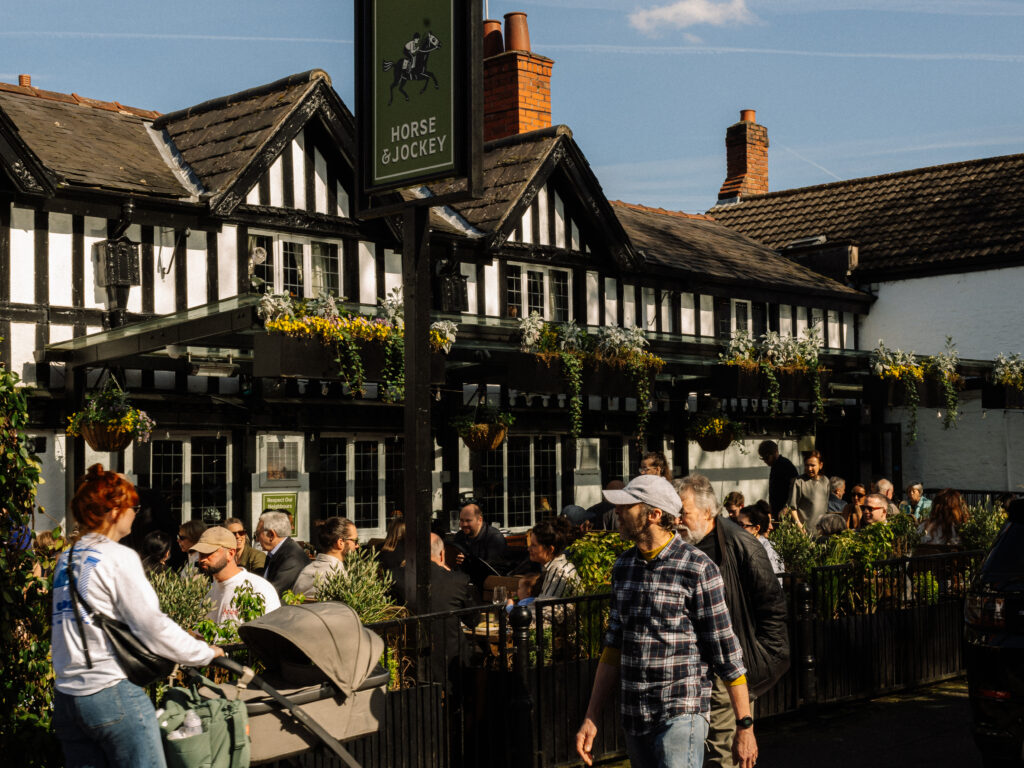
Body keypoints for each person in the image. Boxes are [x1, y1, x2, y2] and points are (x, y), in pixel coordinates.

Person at [576, 474, 757, 768]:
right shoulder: (624, 566)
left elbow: (726, 651)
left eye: (627, 506)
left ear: (654, 514)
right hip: (635, 714)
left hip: (681, 711)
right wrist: (591, 716)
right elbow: (613, 645)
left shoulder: (697, 568)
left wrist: (744, 725)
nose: (617, 512)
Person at [51, 464, 223, 767]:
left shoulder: (68, 557)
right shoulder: (118, 557)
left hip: (67, 697)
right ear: (114, 511)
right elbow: (152, 626)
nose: (135, 513)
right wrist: (204, 653)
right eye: (133, 506)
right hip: (109, 691)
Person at [675, 474, 789, 768]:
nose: (677, 520)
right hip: (688, 671)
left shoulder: (741, 544)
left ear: (707, 511)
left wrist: (756, 659)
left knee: (722, 755)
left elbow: (772, 606)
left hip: (725, 670)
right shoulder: (683, 545)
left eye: (683, 512)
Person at [391, 533, 478, 685]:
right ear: (442, 554)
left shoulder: (395, 577)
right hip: (450, 663)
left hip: (408, 663)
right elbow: (473, 620)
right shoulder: (457, 580)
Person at [193, 526, 280, 625]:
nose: (202, 559)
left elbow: (272, 630)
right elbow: (199, 632)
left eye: (209, 553)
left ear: (230, 553)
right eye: (201, 554)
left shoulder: (259, 589)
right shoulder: (208, 592)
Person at [292, 517, 359, 599]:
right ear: (340, 543)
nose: (357, 546)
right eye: (355, 541)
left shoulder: (305, 571)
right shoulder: (339, 576)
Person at [256, 510, 310, 596]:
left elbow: (274, 592)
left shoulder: (292, 558)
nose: (257, 539)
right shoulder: (275, 552)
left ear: (271, 535)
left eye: (258, 534)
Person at [528, 518, 579, 599]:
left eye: (534, 545)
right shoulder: (554, 567)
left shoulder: (559, 572)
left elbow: (547, 605)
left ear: (550, 549)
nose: (529, 549)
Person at [786, 451, 830, 535]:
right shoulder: (799, 482)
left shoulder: (825, 481)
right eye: (807, 465)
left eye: (812, 465)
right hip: (804, 532)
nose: (809, 469)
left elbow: (825, 507)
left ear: (820, 465)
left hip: (821, 532)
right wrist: (799, 526)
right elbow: (792, 508)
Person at [735, 502, 784, 578]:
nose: (737, 528)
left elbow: (772, 579)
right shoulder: (738, 544)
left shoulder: (768, 549)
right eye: (737, 524)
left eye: (742, 525)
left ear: (756, 528)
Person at [452, 502, 508, 566]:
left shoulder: (495, 538)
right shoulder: (459, 536)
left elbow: (491, 568)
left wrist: (467, 562)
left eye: (468, 520)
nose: (464, 524)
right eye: (462, 520)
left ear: (479, 520)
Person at [758, 440, 798, 521]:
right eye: (763, 458)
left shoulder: (786, 465)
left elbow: (795, 488)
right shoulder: (775, 467)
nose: (765, 461)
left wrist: (787, 507)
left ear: (775, 452)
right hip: (777, 512)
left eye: (766, 458)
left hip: (786, 513)